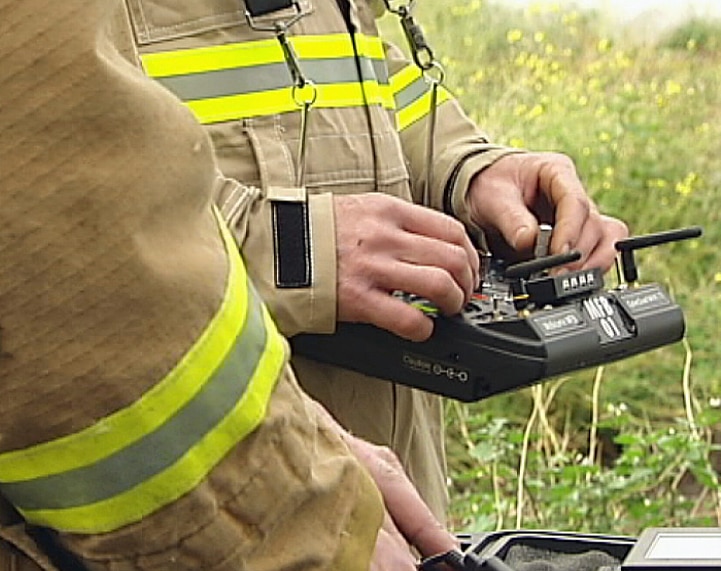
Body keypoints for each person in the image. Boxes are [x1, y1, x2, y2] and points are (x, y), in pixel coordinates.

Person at [0, 1, 457, 569]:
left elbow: (359, 59)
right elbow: (58, 201)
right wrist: (294, 247)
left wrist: (464, 164)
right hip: (222, 522)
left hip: (362, 488)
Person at [130, 0, 629, 519]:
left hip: (392, 487)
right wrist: (301, 249)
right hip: (209, 509)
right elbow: (63, 214)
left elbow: (354, 70)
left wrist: (471, 169)